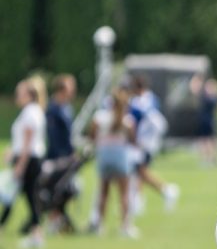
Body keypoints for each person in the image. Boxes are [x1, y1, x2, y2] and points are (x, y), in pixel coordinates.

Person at [88, 88, 139, 238]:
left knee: (103, 193)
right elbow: (133, 140)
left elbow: (91, 136)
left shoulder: (99, 117)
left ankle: (99, 225)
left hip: (104, 156)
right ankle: (125, 225)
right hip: (120, 157)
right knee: (124, 193)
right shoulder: (127, 120)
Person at [5, 77, 47, 249]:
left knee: (29, 196)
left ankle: (37, 233)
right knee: (17, 195)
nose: (17, 96)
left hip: (29, 161)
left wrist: (20, 164)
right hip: (27, 159)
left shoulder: (31, 112)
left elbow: (28, 143)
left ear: (29, 95)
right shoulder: (29, 111)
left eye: (20, 93)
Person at [127, 74, 179, 213]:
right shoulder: (152, 98)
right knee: (138, 172)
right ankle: (137, 201)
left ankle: (167, 191)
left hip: (144, 143)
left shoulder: (139, 102)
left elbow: (137, 120)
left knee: (140, 171)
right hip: (150, 142)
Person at [44, 73, 77, 233]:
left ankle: (58, 218)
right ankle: (54, 219)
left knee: (68, 189)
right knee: (56, 189)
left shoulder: (67, 108)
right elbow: (53, 136)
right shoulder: (52, 109)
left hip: (68, 156)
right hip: (57, 157)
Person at [190, 75, 217, 166]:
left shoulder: (212, 98)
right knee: (204, 140)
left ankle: (211, 159)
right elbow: (193, 89)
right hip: (203, 121)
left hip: (208, 121)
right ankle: (206, 160)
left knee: (210, 141)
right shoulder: (204, 96)